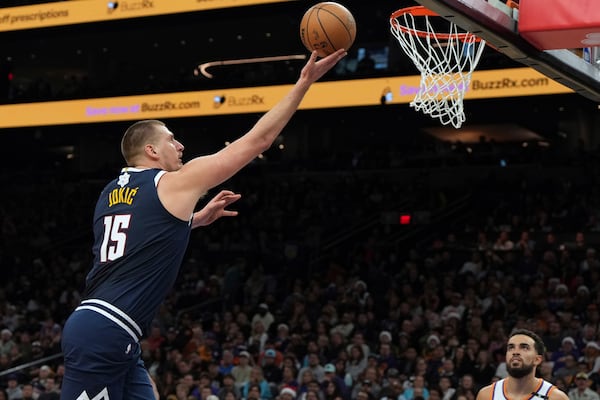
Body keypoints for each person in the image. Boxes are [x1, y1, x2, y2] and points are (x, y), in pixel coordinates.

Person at [59, 48, 347, 400]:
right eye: (170, 139)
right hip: (106, 330)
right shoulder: (171, 183)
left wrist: (192, 221)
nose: (180, 145)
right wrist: (304, 83)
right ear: (151, 151)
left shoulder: (109, 194)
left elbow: (137, 240)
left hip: (109, 330)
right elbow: (258, 141)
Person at [475, 329, 568, 400]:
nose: (515, 352)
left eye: (524, 347)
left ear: (537, 359)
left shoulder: (555, 397)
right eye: (511, 348)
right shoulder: (487, 395)